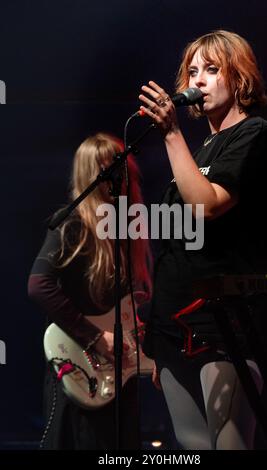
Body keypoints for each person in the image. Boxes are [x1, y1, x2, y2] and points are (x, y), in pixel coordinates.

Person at [138, 30, 267, 450]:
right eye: (192, 71)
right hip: (174, 328)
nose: (197, 81)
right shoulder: (202, 148)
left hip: (222, 321)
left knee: (229, 442)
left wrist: (170, 134)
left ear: (239, 77)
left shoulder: (255, 135)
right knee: (192, 446)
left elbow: (206, 207)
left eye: (212, 69)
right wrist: (159, 337)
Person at [28, 132, 152, 450]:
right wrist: (95, 337)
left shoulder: (127, 231)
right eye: (108, 168)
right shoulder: (72, 225)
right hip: (80, 363)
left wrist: (147, 351)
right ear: (91, 173)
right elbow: (39, 285)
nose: (119, 176)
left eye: (121, 167)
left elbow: (127, 306)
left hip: (118, 374)